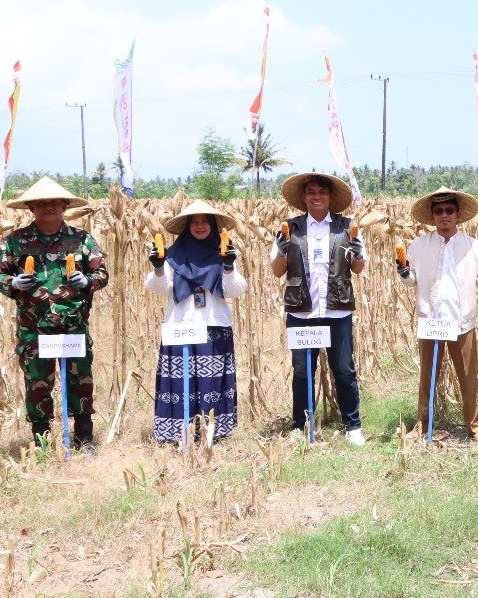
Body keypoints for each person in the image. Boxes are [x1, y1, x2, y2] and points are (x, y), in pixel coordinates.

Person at [0, 177, 109, 452]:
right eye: (41, 203)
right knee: (37, 381)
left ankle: (84, 438)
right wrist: (13, 283)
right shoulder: (16, 241)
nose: (48, 207)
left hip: (73, 324)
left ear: (65, 205)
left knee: (80, 379)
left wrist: (87, 281)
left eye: (54, 202)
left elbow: (101, 273)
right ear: (31, 207)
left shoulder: (81, 239)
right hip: (34, 326)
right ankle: (42, 441)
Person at [270, 172, 367, 445]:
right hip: (302, 313)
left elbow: (358, 269)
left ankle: (352, 425)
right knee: (302, 370)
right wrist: (280, 250)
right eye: (311, 192)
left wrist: (358, 253)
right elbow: (278, 272)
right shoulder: (290, 229)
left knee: (344, 369)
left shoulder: (347, 227)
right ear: (304, 198)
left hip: (337, 312)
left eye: (321, 192)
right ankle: (301, 425)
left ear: (331, 197)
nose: (316, 197)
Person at [144, 201, 246, 446]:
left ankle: (211, 434)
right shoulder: (172, 256)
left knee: (211, 384)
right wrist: (158, 268)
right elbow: (158, 288)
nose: (200, 226)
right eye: (195, 222)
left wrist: (230, 267)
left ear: (212, 226)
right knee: (181, 384)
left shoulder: (224, 253)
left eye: (205, 222)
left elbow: (235, 290)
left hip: (213, 326)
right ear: (187, 227)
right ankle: (179, 434)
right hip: (180, 325)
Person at [398, 187, 478, 443]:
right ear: (432, 215)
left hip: (462, 321)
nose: (444, 216)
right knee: (428, 375)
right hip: (431, 321)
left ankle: (474, 425)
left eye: (449, 211)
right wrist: (404, 273)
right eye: (439, 211)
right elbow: (412, 280)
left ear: (458, 214)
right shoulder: (418, 245)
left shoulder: (474, 246)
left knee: (468, 376)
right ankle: (422, 423)